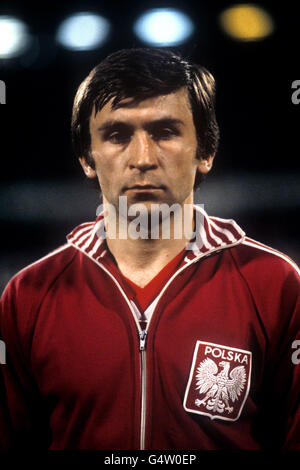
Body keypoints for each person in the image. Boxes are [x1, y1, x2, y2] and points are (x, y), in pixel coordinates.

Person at [0, 48, 299, 450]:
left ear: (205, 151)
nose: (143, 159)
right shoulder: (28, 295)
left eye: (165, 132)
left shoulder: (275, 285)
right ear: (88, 157)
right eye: (118, 135)